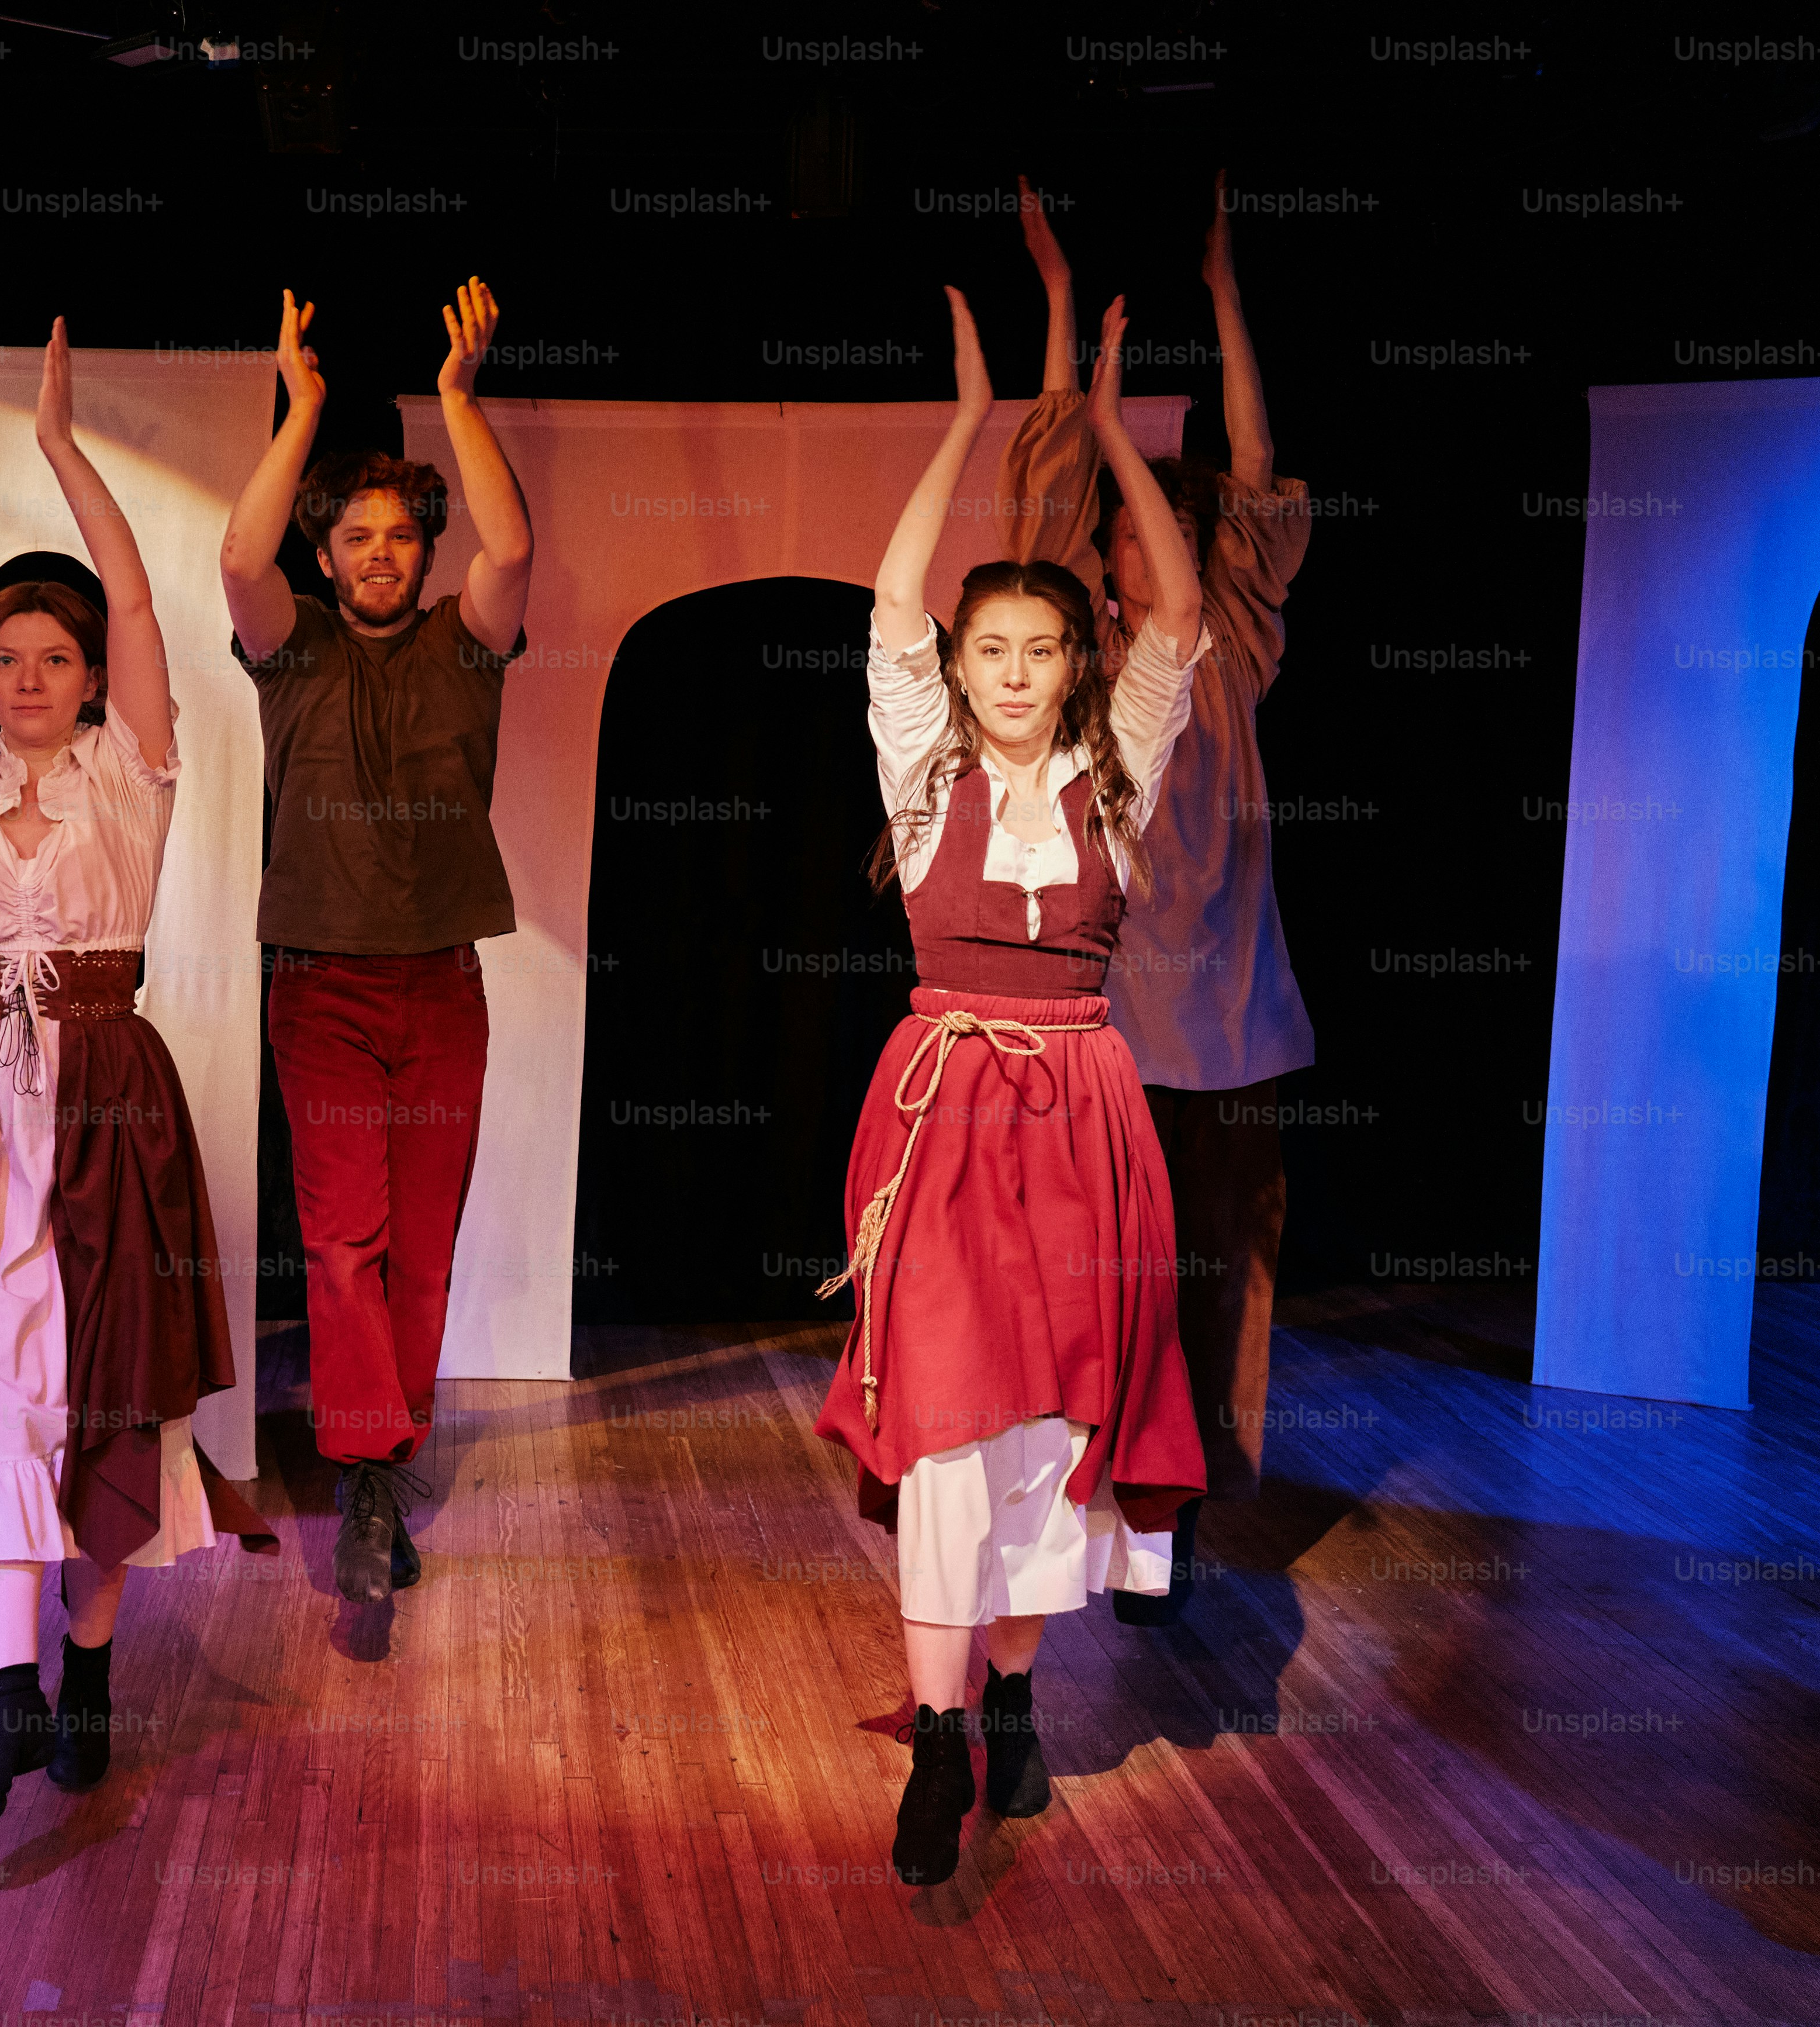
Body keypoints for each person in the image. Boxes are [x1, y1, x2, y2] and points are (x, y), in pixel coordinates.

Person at [813, 291, 1210, 1888]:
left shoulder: (1117, 776)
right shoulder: (926, 777)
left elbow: (1175, 623)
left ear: (1074, 662)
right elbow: (889, 607)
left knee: (1052, 1432)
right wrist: (973, 418)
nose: (1017, 672)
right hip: (946, 1116)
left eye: (1044, 649)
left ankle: (1020, 1699)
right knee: (945, 1430)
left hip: (1088, 1124)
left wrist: (1116, 429)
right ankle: (935, 1733)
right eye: (994, 649)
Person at [0, 323, 277, 1843]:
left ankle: (85, 1669)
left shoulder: (131, 767)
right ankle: (5, 1689)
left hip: (111, 1089)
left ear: (92, 676)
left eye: (57, 658)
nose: (28, 678)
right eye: (6, 659)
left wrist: (60, 453)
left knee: (106, 1396)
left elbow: (150, 604)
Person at [1005, 175, 1317, 1622]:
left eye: (1167, 534)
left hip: (1234, 1018)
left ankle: (1173, 1516)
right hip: (1113, 1026)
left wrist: (1225, 294)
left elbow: (1252, 472)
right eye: (1131, 538)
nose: (1146, 551)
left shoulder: (1232, 649)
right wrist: (1067, 321)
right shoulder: (1086, 672)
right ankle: (1099, 1493)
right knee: (1106, 1282)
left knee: (1213, 1283)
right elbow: (1053, 487)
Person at [217, 280, 534, 1604]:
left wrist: (457, 399)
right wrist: (298, 411)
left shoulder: (469, 649)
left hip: (442, 986)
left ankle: (380, 1460)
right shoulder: (285, 648)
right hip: (321, 991)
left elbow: (510, 555)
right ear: (327, 553)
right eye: (356, 537)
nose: (381, 555)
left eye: (401, 536)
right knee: (341, 1240)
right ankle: (362, 1477)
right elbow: (239, 563)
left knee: (421, 1246)